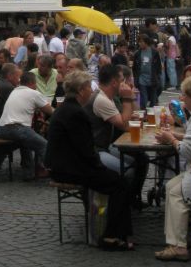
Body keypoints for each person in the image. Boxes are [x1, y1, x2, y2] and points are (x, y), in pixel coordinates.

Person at [45, 69, 134, 251]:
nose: (92, 91)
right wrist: (100, 168)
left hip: (64, 164)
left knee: (118, 180)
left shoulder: (67, 109)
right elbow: (86, 151)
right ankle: (111, 236)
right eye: (89, 88)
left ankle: (119, 233)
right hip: (68, 168)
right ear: (81, 90)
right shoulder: (76, 113)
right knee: (120, 184)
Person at [154, 76, 191, 261]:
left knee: (176, 192)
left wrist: (171, 139)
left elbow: (188, 151)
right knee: (171, 185)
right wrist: (176, 136)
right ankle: (175, 240)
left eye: (184, 94)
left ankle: (178, 246)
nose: (182, 98)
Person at [84, 63, 148, 208]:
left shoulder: (109, 97)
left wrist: (130, 100)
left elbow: (132, 117)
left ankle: (131, 200)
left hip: (105, 146)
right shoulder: (101, 99)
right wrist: (127, 99)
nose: (124, 84)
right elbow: (124, 125)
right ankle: (120, 206)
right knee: (128, 170)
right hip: (94, 151)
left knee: (139, 160)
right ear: (114, 82)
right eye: (122, 80)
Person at [0, 70, 53, 179]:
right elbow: (50, 111)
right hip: (19, 128)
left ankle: (28, 172)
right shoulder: (34, 93)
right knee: (44, 145)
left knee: (23, 141)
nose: (36, 86)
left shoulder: (14, 91)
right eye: (35, 83)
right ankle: (51, 171)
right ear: (32, 83)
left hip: (2, 128)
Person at [133, 33, 163, 108]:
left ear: (146, 42)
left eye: (141, 42)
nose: (140, 43)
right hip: (141, 79)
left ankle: (151, 112)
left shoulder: (154, 52)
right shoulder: (137, 53)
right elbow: (135, 67)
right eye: (139, 42)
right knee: (144, 98)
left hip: (152, 78)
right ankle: (143, 111)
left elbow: (158, 66)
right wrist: (136, 79)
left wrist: (157, 76)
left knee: (153, 99)